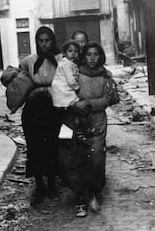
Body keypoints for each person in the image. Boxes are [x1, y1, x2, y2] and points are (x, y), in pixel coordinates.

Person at [59, 42, 119, 218]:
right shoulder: (75, 74)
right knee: (77, 159)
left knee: (96, 158)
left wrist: (89, 104)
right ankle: (80, 196)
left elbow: (109, 99)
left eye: (96, 54)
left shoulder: (106, 76)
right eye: (88, 55)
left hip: (98, 122)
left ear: (101, 56)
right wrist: (76, 105)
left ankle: (93, 191)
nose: (92, 58)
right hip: (76, 121)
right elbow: (66, 93)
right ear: (83, 56)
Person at [19, 26, 63, 205]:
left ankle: (52, 185)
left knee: (53, 146)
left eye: (48, 40)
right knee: (35, 147)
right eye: (40, 41)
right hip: (34, 109)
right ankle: (39, 186)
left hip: (54, 108)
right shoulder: (29, 61)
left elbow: (65, 82)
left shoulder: (61, 60)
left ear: (53, 41)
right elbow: (19, 80)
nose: (44, 44)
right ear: (36, 42)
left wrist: (46, 89)